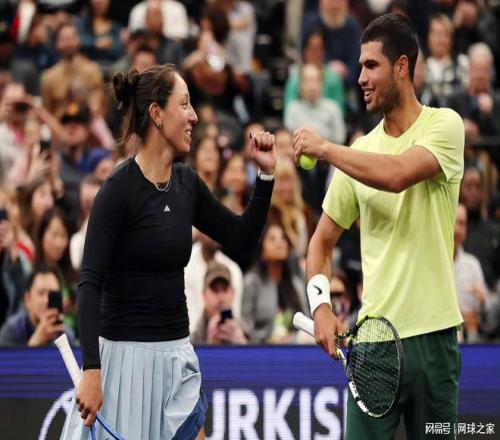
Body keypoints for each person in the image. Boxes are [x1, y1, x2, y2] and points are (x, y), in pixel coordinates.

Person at [60, 63, 276, 440]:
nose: (194, 116)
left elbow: (241, 238)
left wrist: (266, 177)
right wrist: (92, 370)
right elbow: (89, 284)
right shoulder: (117, 190)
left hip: (177, 358)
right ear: (157, 114)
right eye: (184, 104)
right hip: (123, 364)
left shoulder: (187, 184)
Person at [293, 14, 464, 439]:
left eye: (371, 66)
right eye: (360, 66)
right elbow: (320, 243)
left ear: (402, 67)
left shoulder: (445, 126)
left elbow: (398, 174)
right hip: (373, 345)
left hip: (435, 340)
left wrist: (327, 149)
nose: (361, 78)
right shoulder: (360, 152)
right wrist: (321, 307)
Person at [0, 263, 75, 347]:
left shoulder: (66, 335)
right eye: (41, 293)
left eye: (52, 295)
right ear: (28, 299)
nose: (46, 300)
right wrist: (34, 344)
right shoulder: (11, 331)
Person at [191, 260, 247, 345]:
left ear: (233, 293)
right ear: (204, 294)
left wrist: (243, 347)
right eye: (215, 289)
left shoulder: (247, 333)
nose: (221, 297)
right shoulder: (190, 343)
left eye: (225, 289)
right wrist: (208, 348)